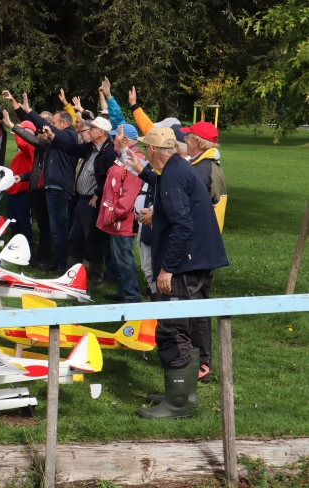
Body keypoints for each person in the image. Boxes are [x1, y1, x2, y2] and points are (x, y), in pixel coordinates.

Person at [134, 127, 228, 419]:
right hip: (200, 259)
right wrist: (143, 173)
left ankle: (177, 403)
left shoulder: (173, 175)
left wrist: (167, 269)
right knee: (186, 322)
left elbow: (183, 225)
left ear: (151, 151)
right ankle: (185, 393)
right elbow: (167, 190)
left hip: (185, 264)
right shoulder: (178, 168)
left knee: (172, 326)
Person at [5, 90, 78, 275]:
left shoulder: (68, 137)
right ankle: (54, 261)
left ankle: (61, 264)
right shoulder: (58, 140)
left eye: (53, 124)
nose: (48, 127)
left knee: (58, 229)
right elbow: (38, 131)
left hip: (60, 189)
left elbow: (35, 135)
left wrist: (14, 123)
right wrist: (22, 108)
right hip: (50, 188)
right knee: (52, 228)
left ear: (63, 123)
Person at [43, 116, 117, 290]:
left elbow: (110, 176)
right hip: (82, 200)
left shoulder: (109, 151)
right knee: (75, 237)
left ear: (102, 132)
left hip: (92, 203)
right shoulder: (91, 148)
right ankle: (70, 277)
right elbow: (70, 148)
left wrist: (98, 194)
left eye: (92, 128)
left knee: (92, 240)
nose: (88, 131)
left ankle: (96, 282)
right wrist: (53, 136)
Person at [97, 124, 144, 302]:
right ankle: (124, 291)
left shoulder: (134, 159)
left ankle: (131, 294)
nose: (111, 140)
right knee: (118, 257)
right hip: (115, 217)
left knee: (124, 257)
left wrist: (115, 213)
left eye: (114, 137)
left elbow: (129, 192)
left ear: (125, 141)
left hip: (122, 219)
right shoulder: (122, 157)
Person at [1, 112, 36, 252]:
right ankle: (14, 247)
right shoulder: (22, 152)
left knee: (24, 222)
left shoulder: (31, 148)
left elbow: (22, 142)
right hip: (13, 190)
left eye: (24, 131)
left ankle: (28, 249)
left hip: (22, 190)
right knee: (13, 221)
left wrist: (13, 126)